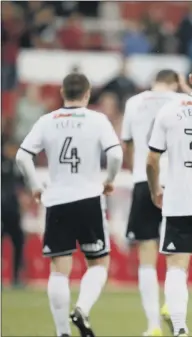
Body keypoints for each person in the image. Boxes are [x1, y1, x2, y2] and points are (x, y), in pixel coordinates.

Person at [15, 73, 123, 337]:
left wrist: (35, 186)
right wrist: (108, 180)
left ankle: (62, 332)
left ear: (63, 92)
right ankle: (82, 309)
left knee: (59, 270)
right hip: (88, 198)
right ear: (87, 94)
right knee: (98, 264)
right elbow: (116, 154)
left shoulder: (47, 121)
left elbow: (22, 156)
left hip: (58, 199)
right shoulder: (97, 120)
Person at [146, 57, 192, 337]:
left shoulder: (168, 110)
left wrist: (155, 189)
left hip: (177, 202)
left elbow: (152, 159)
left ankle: (179, 327)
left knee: (176, 266)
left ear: (189, 79)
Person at [121, 69, 182, 337]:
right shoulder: (182, 101)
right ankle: (173, 303)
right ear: (176, 82)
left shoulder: (134, 102)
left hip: (143, 180)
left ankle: (153, 325)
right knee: (174, 253)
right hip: (177, 182)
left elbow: (129, 145)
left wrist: (138, 166)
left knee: (146, 254)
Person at [1, 136, 26, 288]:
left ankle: (16, 277)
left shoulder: (18, 166)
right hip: (2, 209)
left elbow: (23, 186)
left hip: (13, 211)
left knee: (18, 242)